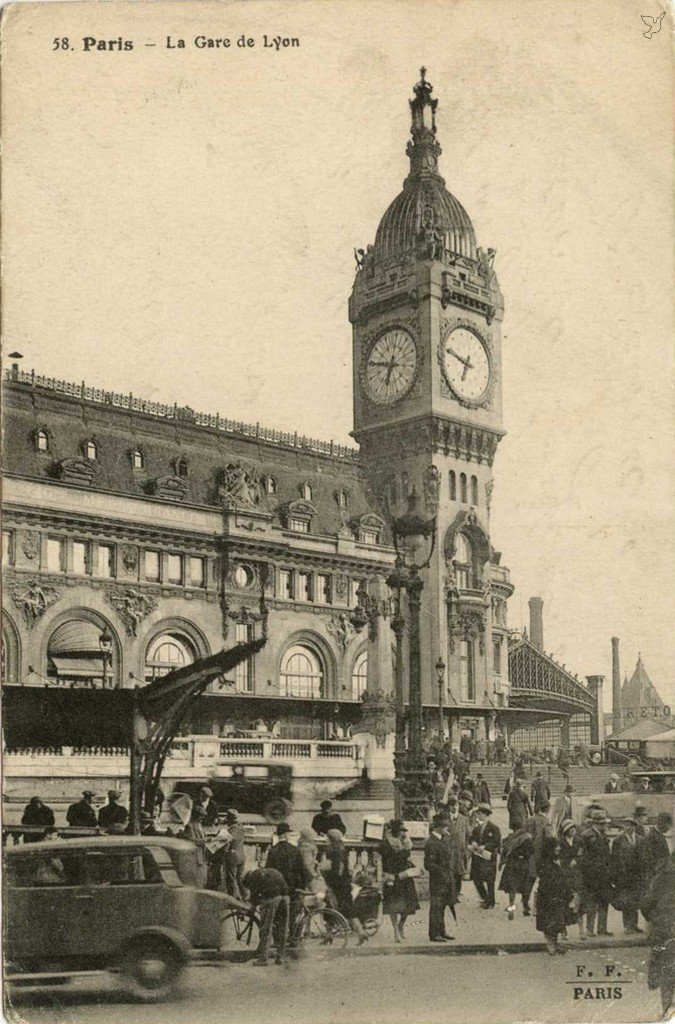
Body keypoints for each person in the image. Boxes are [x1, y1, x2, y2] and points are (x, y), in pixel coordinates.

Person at [642, 851, 675, 1017]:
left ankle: (667, 1012)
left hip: (665, 932)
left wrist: (654, 919)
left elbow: (646, 905)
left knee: (667, 976)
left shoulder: (661, 878)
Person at [322, 829, 367, 942]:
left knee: (333, 908)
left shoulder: (334, 851)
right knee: (341, 908)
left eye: (328, 838)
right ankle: (330, 935)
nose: (326, 840)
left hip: (337, 884)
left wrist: (328, 875)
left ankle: (360, 932)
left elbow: (339, 869)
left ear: (332, 840)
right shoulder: (342, 850)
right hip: (343, 883)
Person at [380, 820, 420, 943]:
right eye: (401, 831)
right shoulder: (387, 844)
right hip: (392, 876)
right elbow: (385, 861)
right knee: (393, 906)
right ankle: (396, 930)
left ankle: (401, 925)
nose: (403, 833)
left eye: (404, 831)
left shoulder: (405, 842)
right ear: (395, 831)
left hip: (405, 876)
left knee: (408, 905)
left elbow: (409, 857)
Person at [265, 822, 310, 929]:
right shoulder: (295, 849)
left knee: (278, 913)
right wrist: (302, 886)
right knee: (293, 913)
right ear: (286, 835)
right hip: (293, 887)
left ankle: (279, 938)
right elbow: (302, 870)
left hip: (278, 887)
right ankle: (293, 937)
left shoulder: (273, 850)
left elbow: (269, 870)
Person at [242, 867, 290, 966]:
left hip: (272, 899)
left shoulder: (253, 877)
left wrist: (251, 905)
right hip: (285, 897)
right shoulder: (268, 871)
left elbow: (254, 898)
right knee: (282, 928)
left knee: (266, 929)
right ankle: (280, 957)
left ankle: (263, 959)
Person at [535, 836, 575, 955]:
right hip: (548, 898)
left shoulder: (555, 861)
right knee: (549, 922)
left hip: (558, 897)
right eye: (555, 846)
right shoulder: (544, 863)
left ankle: (555, 944)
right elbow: (547, 883)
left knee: (557, 922)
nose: (558, 848)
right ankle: (550, 945)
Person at [578, 808, 613, 938]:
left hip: (604, 876)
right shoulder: (586, 836)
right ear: (594, 824)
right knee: (592, 903)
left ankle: (602, 928)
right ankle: (590, 929)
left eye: (604, 823)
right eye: (601, 823)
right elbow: (582, 858)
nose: (604, 825)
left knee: (604, 901)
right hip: (591, 876)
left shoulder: (603, 835)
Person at [424, 815, 456, 941]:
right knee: (436, 907)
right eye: (444, 826)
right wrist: (441, 872)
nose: (446, 829)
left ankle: (441, 931)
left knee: (442, 906)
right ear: (438, 828)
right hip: (438, 880)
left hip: (446, 878)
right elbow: (428, 864)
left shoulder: (443, 839)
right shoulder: (431, 842)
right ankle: (434, 934)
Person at [610, 817, 643, 934]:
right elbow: (614, 860)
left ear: (635, 827)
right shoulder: (618, 841)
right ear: (623, 827)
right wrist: (616, 877)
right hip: (623, 876)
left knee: (635, 900)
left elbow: (643, 859)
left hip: (637, 876)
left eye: (631, 825)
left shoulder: (640, 840)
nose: (629, 828)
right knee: (626, 901)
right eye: (626, 825)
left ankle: (634, 924)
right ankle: (627, 925)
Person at [499, 825, 536, 919]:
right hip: (522, 866)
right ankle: (525, 908)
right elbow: (532, 851)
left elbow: (503, 850)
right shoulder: (527, 839)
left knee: (512, 890)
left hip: (511, 865)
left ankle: (511, 909)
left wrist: (502, 862)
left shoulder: (510, 838)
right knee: (524, 888)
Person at [469, 804, 501, 909]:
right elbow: (471, 838)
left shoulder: (494, 828)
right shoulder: (477, 828)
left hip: (488, 857)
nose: (478, 816)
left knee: (489, 880)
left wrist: (485, 846)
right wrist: (473, 843)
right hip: (478, 856)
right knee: (476, 878)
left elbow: (496, 842)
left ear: (485, 814)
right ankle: (485, 898)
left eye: (480, 814)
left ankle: (490, 901)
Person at [558, 820, 586, 940]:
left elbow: (583, 854)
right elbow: (557, 857)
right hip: (565, 876)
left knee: (579, 903)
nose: (573, 830)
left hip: (577, 875)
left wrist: (577, 860)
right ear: (565, 831)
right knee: (565, 903)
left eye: (574, 828)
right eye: (570, 828)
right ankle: (564, 932)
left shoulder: (579, 841)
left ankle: (581, 931)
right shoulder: (560, 842)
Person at [441, 795, 470, 897]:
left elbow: (468, 835)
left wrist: (466, 849)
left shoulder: (464, 819)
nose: (454, 807)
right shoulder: (443, 818)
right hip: (448, 849)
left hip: (460, 851)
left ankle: (457, 892)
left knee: (458, 873)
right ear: (449, 807)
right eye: (452, 805)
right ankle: (450, 892)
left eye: (456, 805)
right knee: (449, 871)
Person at [639, 812, 673, 896]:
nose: (669, 828)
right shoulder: (652, 837)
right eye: (669, 825)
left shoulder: (658, 835)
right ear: (662, 823)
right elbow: (648, 858)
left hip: (659, 875)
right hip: (654, 876)